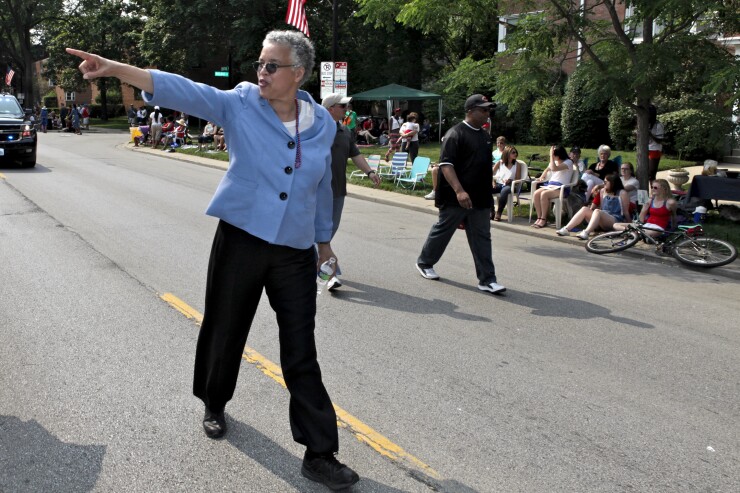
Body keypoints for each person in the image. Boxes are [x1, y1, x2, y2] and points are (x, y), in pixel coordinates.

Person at [66, 29, 360, 491]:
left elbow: (322, 187)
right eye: (259, 64)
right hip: (241, 239)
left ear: (298, 74)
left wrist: (324, 242)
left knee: (301, 350)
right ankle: (214, 401)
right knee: (225, 327)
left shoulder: (323, 123)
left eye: (271, 66)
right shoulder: (241, 102)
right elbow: (185, 89)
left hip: (294, 251)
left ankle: (320, 453)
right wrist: (115, 68)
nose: (260, 72)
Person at [415, 94, 506, 295]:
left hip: (480, 197)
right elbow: (446, 165)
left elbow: (483, 166)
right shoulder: (455, 133)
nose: (487, 113)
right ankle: (425, 263)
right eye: (483, 109)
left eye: (488, 109)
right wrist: (459, 190)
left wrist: (489, 193)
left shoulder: (485, 136)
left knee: (482, 237)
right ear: (470, 110)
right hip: (456, 196)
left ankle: (487, 279)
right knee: (443, 230)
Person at [321, 93, 381, 291]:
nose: (346, 109)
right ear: (330, 108)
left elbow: (355, 155)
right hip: (315, 191)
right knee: (320, 235)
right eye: (342, 106)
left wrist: (370, 172)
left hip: (338, 190)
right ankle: (329, 275)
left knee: (328, 232)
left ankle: (316, 267)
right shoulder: (314, 129)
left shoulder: (345, 131)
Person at [556, 173, 630, 239]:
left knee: (597, 211)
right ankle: (566, 229)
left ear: (612, 183)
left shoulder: (622, 193)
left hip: (614, 219)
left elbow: (625, 212)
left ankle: (586, 232)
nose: (603, 184)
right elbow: (601, 206)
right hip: (602, 217)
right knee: (585, 209)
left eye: (605, 182)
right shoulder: (602, 191)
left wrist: (630, 224)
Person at [531, 145, 575, 228]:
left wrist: (551, 155)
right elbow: (547, 169)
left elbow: (554, 169)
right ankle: (539, 217)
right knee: (536, 193)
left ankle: (544, 219)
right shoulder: (554, 161)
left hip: (562, 188)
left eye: (554, 155)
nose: (552, 156)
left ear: (559, 155)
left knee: (544, 194)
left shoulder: (568, 162)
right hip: (551, 185)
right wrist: (542, 177)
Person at [491, 145, 527, 221]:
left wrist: (510, 180)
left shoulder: (517, 165)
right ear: (507, 153)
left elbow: (518, 178)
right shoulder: (500, 163)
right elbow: (491, 174)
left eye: (516, 152)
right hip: (498, 183)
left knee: (505, 191)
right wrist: (493, 182)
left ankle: (499, 212)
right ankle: (491, 211)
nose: (515, 154)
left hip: (509, 185)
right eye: (513, 152)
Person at [648, 105, 664, 188]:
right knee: (645, 172)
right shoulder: (645, 123)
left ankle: (654, 193)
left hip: (655, 150)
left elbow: (660, 140)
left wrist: (650, 134)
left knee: (651, 173)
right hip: (645, 149)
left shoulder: (658, 125)